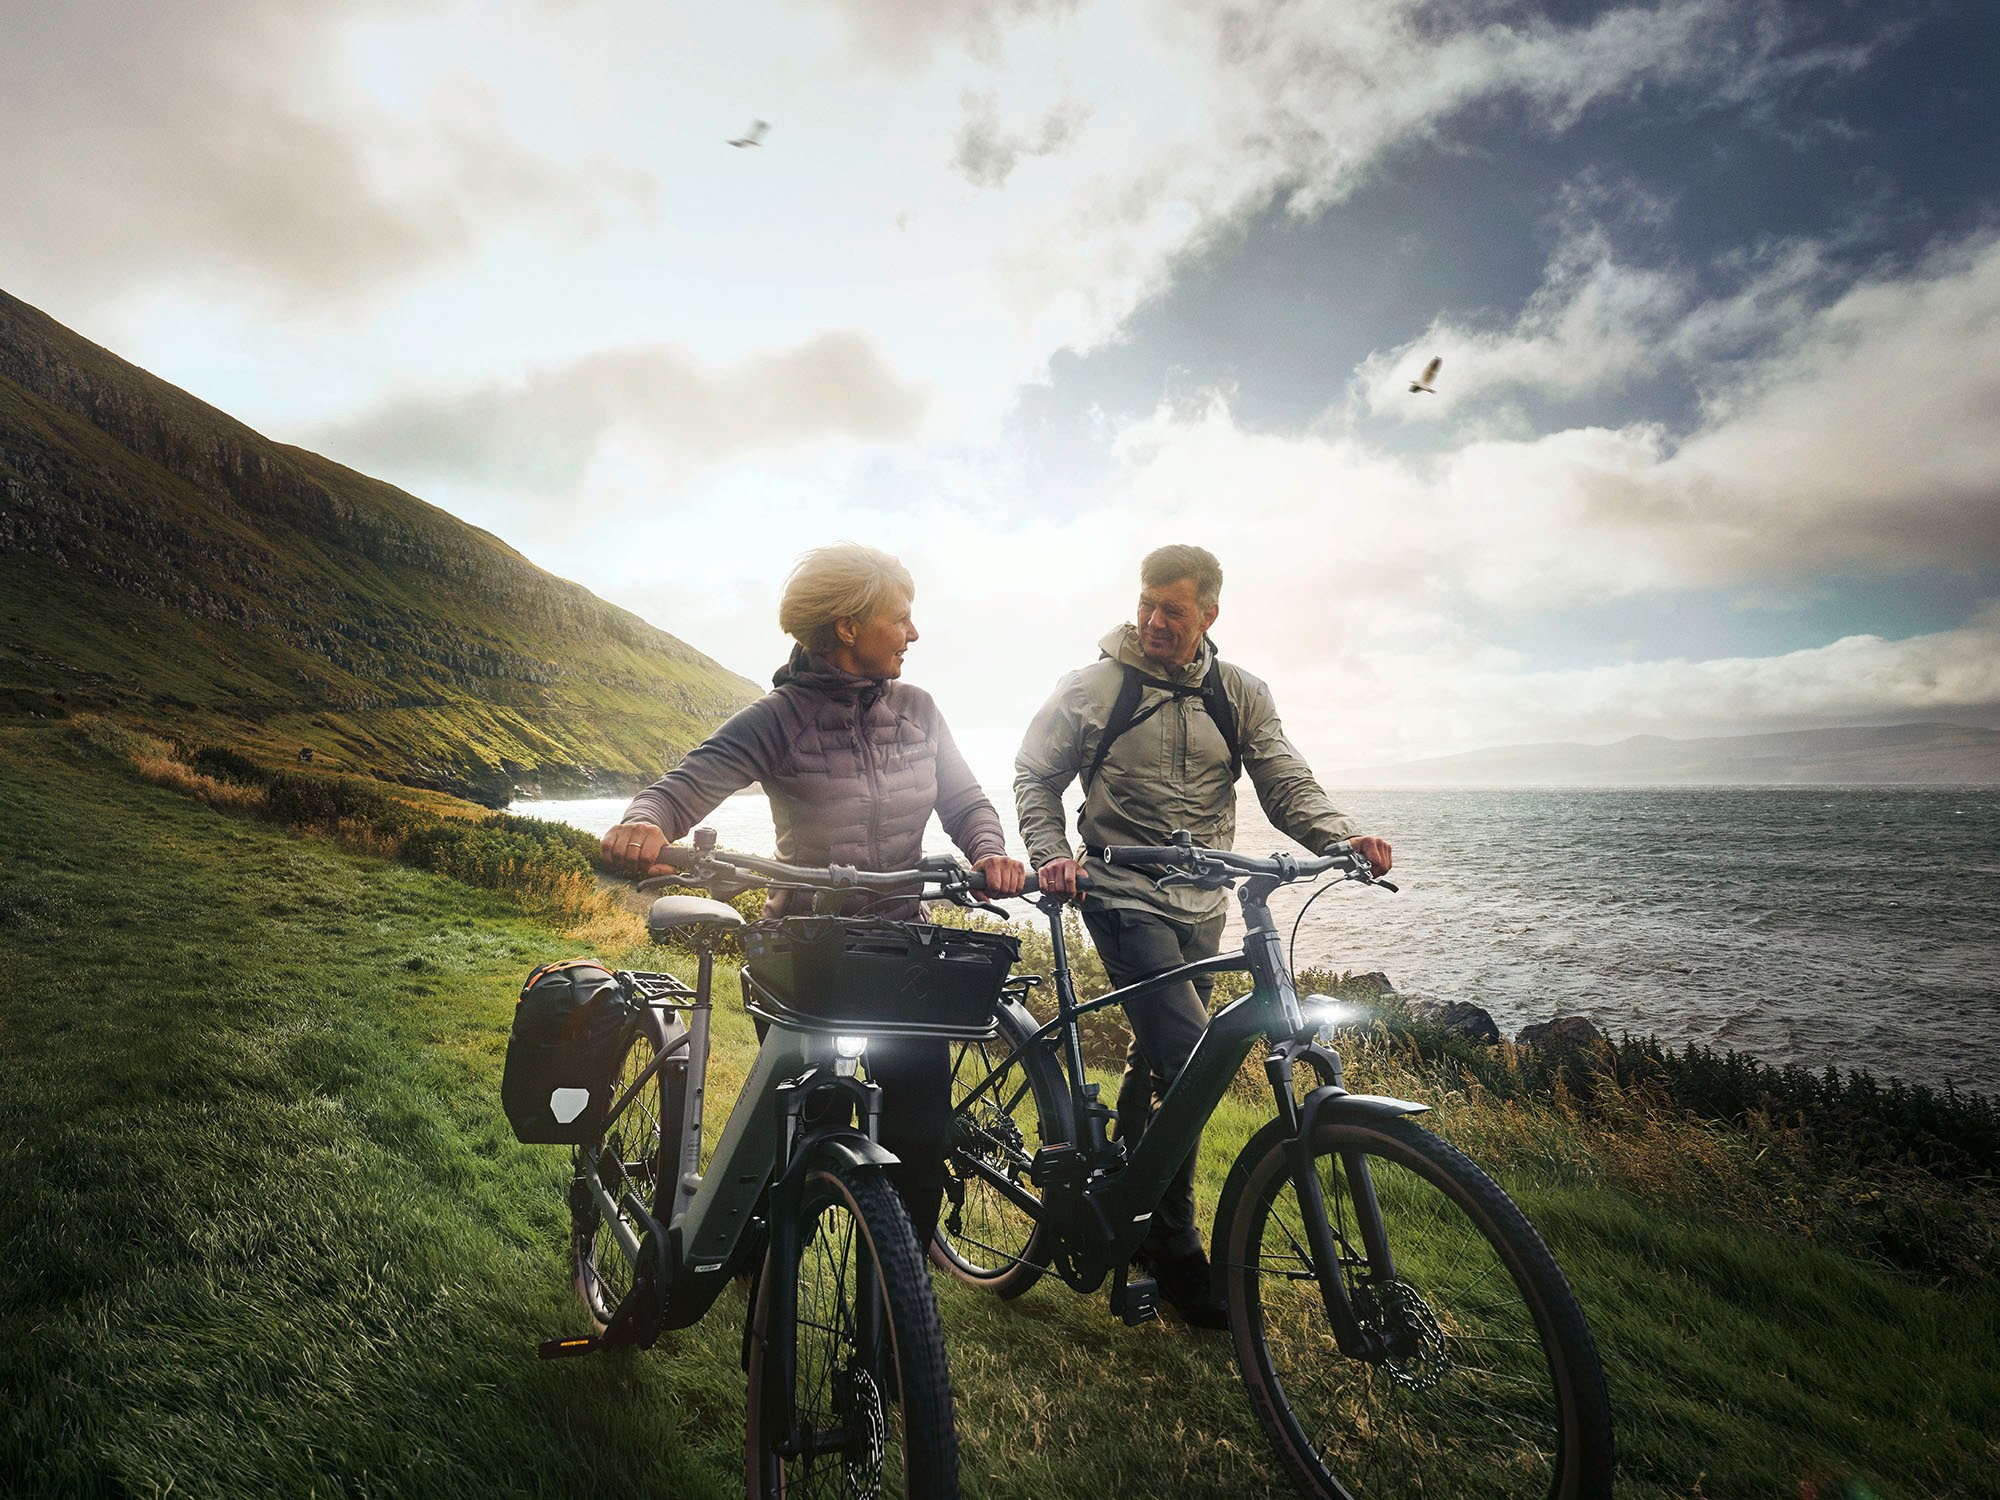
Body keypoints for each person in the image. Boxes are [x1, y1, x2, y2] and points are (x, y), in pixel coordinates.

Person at [600, 542, 1026, 1244]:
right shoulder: (779, 716)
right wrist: (645, 824)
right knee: (806, 1133)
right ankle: (773, 1268)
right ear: (849, 626)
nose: (913, 635)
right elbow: (688, 783)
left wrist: (989, 850)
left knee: (921, 1139)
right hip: (805, 952)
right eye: (901, 618)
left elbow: (966, 800)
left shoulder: (920, 709)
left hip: (900, 948)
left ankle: (903, 1299)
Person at [1014, 543, 1391, 1328]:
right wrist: (1053, 858)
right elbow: (1034, 774)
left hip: (1205, 903)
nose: (1153, 620)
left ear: (1209, 614)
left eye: (1173, 610)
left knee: (1164, 1066)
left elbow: (1285, 778)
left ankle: (1127, 1196)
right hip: (1120, 893)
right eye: (1147, 603)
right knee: (1191, 1060)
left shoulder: (1239, 692)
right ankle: (1177, 1249)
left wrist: (1342, 837)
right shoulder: (1093, 687)